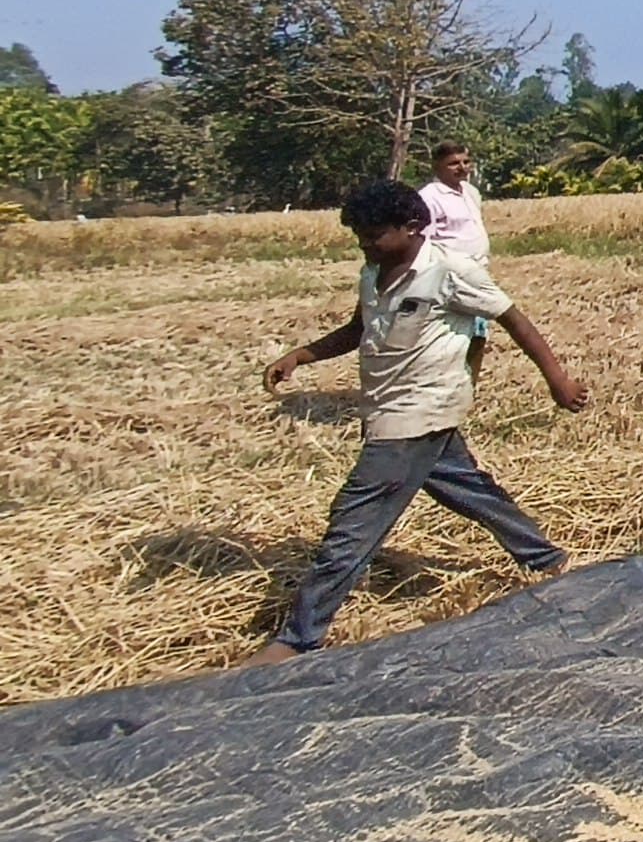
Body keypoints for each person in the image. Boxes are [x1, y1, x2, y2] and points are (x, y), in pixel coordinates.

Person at [246, 176, 591, 664]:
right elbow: (358, 328)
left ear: (412, 228)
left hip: (417, 413)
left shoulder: (448, 271)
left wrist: (557, 381)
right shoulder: (375, 271)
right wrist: (303, 355)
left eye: (374, 235)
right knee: (465, 486)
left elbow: (515, 320)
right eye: (359, 236)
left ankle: (298, 637)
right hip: (387, 407)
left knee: (353, 523)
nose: (365, 245)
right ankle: (545, 556)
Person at [419, 139, 494, 377]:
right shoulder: (429, 197)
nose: (462, 167)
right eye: (453, 163)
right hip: (449, 277)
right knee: (450, 337)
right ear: (437, 166)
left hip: (477, 273)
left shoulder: (471, 193)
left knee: (478, 333)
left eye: (466, 161)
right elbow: (423, 241)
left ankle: (469, 386)